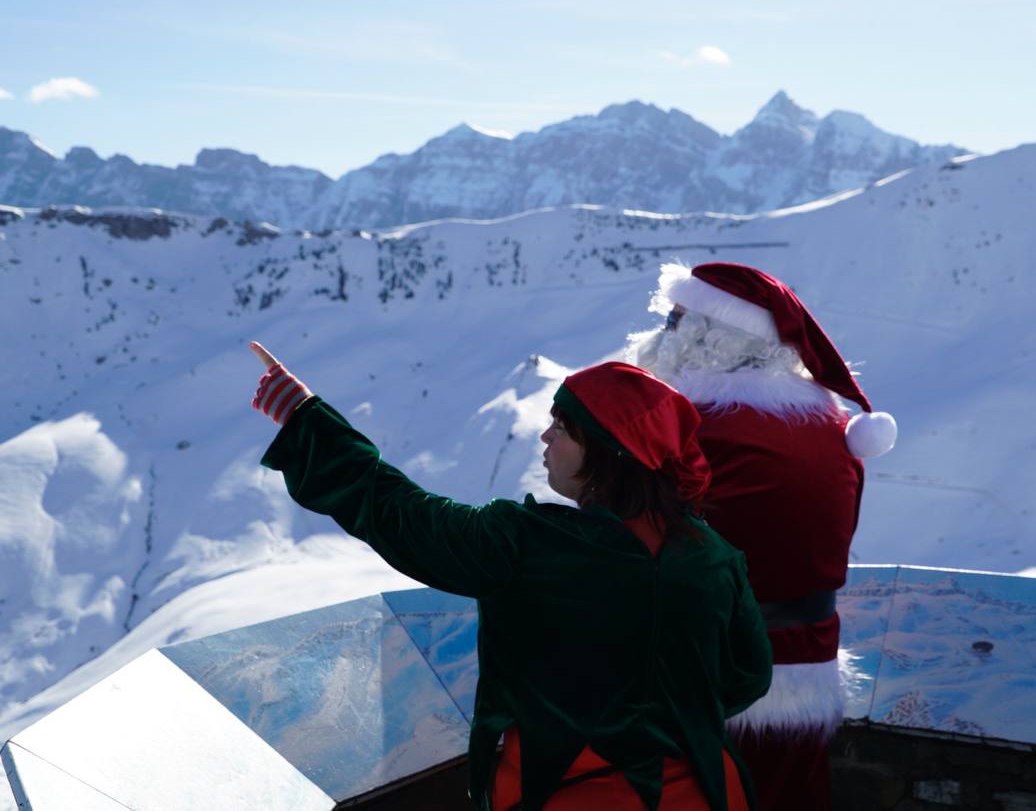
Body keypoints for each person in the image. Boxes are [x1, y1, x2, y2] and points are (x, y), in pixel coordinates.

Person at [247, 343, 772, 811]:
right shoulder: (714, 556)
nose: (545, 437)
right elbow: (748, 675)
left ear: (609, 454)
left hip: (566, 791)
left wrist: (305, 417)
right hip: (702, 792)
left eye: (563, 428)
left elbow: (401, 514)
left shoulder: (526, 544)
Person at [628, 263, 897, 811]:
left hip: (704, 665)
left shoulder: (685, 426)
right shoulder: (831, 428)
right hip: (808, 664)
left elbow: (633, 541)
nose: (664, 331)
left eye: (678, 318)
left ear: (716, 333)